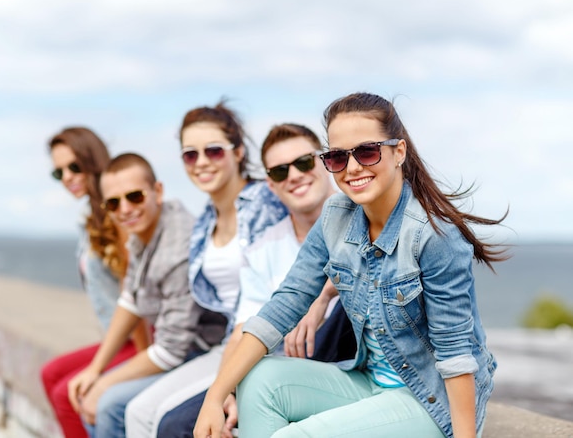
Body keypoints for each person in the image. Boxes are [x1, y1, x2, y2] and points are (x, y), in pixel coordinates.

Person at [195, 92, 508, 438]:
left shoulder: (433, 236)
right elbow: (283, 305)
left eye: (367, 151)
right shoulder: (335, 217)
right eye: (338, 157)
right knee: (257, 377)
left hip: (431, 402)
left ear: (398, 152)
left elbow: (456, 356)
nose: (353, 167)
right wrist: (215, 394)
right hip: (370, 382)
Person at [156, 123, 357, 438]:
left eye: (304, 162)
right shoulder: (264, 248)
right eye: (279, 172)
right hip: (280, 363)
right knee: (176, 427)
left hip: (344, 358)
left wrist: (323, 296)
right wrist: (229, 391)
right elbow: (243, 329)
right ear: (271, 185)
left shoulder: (361, 216)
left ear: (324, 162)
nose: (293, 175)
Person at [124, 101, 289, 436]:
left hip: (262, 345)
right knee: (139, 412)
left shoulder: (265, 204)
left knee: (168, 424)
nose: (201, 163)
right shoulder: (203, 223)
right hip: (223, 344)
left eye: (213, 151)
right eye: (190, 154)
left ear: (238, 152)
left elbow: (278, 296)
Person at [66, 152, 216, 438]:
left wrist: (104, 383)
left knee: (108, 403)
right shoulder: (144, 230)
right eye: (113, 202)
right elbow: (130, 300)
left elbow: (172, 350)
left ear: (157, 192)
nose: (124, 209)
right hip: (181, 347)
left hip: (205, 350)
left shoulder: (177, 248)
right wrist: (95, 370)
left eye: (134, 196)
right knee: (89, 391)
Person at [41, 127, 146, 438]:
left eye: (74, 166)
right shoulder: (91, 217)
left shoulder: (118, 212)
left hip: (141, 339)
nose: (68, 177)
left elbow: (134, 293)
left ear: (93, 159)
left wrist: (142, 359)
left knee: (67, 395)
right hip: (119, 338)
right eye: (58, 172)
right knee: (51, 374)